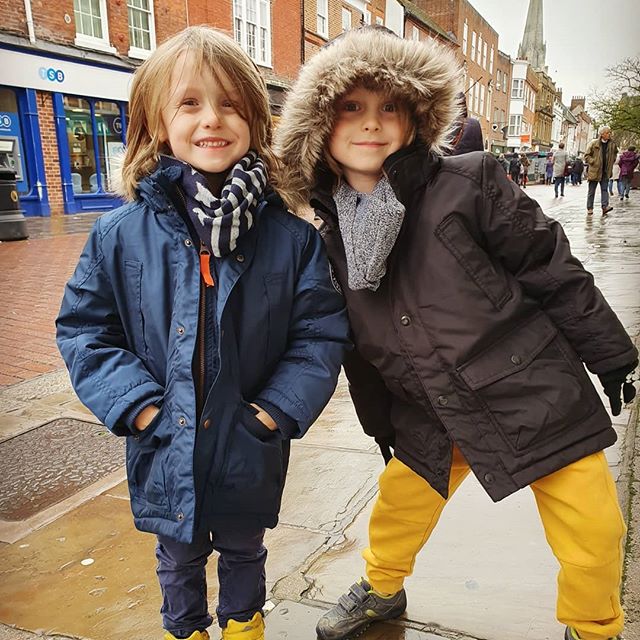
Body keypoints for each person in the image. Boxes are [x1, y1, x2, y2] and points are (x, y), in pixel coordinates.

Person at [274, 27, 638, 640]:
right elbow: (356, 349)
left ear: (416, 118)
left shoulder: (468, 182)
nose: (372, 123)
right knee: (398, 509)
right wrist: (382, 425)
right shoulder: (327, 239)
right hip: (431, 405)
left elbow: (549, 265)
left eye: (390, 107)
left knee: (593, 528)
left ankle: (593, 625)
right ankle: (382, 588)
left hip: (532, 389)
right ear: (320, 125)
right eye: (352, 108)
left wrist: (609, 352)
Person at [56, 26, 349, 640]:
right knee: (178, 557)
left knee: (244, 552)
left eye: (230, 103)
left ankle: (244, 628)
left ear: (255, 120)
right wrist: (140, 409)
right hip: (166, 440)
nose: (212, 118)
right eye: (189, 103)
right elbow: (86, 330)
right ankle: (183, 631)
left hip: (249, 441)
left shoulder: (291, 238)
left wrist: (273, 413)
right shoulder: (120, 235)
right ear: (157, 122)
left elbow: (318, 335)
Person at [584, 125, 618, 215]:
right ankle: (590, 208)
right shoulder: (594, 143)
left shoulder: (612, 144)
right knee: (591, 191)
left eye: (610, 132)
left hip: (605, 171)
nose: (609, 134)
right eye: (607, 133)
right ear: (602, 134)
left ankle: (605, 207)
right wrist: (593, 161)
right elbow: (586, 156)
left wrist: (612, 160)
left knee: (604, 190)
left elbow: (615, 154)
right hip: (594, 171)